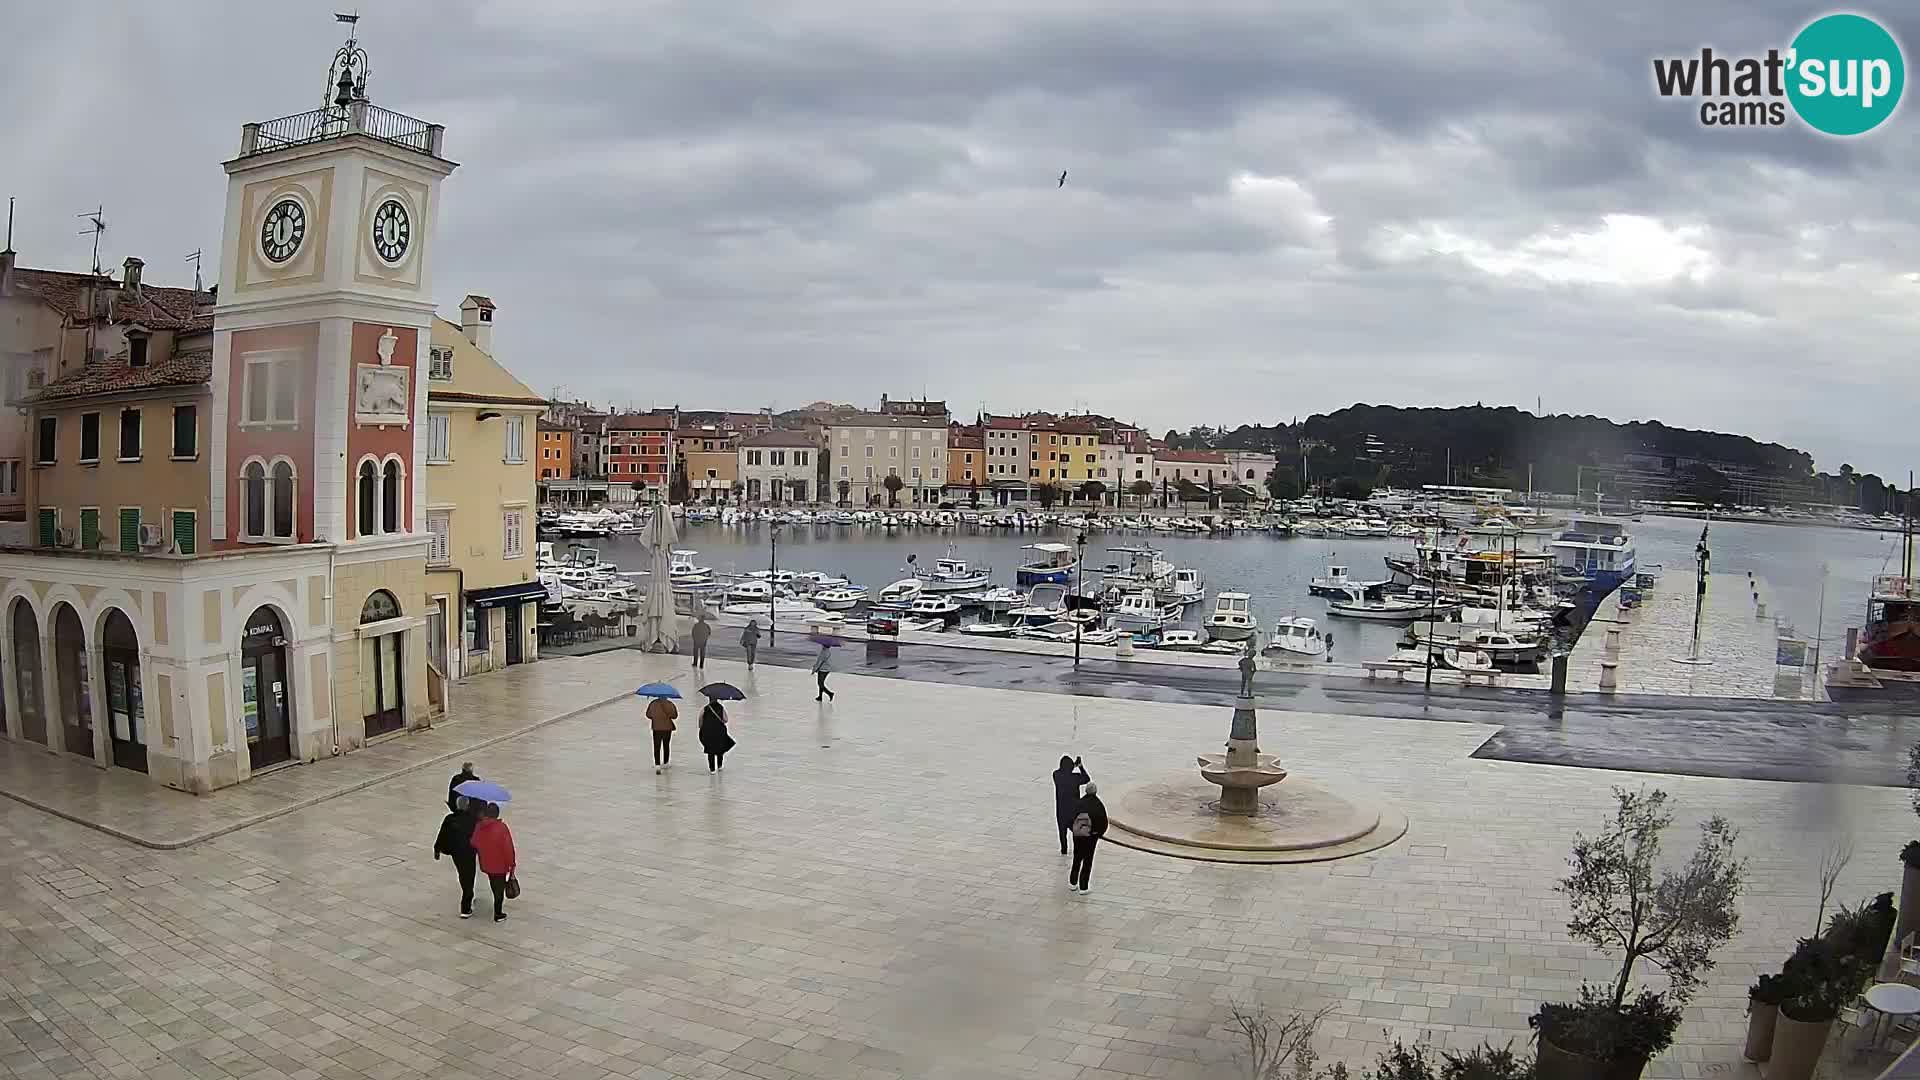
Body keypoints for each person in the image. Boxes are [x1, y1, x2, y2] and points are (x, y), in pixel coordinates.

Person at [432, 795, 480, 918]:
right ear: (467, 806)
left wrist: (437, 849)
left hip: (456, 853)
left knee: (463, 874)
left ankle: (468, 895)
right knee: (469, 875)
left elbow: (442, 835)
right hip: (469, 852)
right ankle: (466, 906)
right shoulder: (473, 819)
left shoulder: (450, 819)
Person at [470, 802, 517, 922]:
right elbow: (508, 848)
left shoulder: (480, 826)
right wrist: (512, 863)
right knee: (499, 890)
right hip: (500, 865)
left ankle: (497, 905)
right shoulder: (502, 828)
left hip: (487, 863)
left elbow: (474, 842)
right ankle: (498, 913)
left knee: (494, 884)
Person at [1069, 782, 1108, 893]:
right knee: (1087, 860)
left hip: (1078, 835)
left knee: (1076, 858)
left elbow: (1071, 817)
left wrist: (1074, 830)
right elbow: (1103, 822)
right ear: (1095, 792)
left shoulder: (1079, 802)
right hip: (1091, 836)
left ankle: (1072, 883)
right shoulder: (1098, 804)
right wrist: (1099, 833)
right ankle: (1083, 887)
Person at [1052, 756, 1090, 854]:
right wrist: (1079, 766)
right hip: (1073, 810)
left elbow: (1062, 771)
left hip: (1061, 810)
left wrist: (1072, 765)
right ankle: (1078, 849)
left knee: (1062, 832)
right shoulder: (1075, 778)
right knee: (1076, 831)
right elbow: (1087, 778)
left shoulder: (1056, 775)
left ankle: (1064, 849)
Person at [699, 699, 736, 771]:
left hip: (708, 731)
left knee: (710, 750)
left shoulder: (705, 708)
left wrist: (702, 727)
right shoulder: (721, 708)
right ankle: (719, 765)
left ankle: (712, 769)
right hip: (719, 731)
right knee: (720, 748)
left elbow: (700, 720)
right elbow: (726, 719)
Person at [647, 694, 678, 772]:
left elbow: (648, 715)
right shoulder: (670, 704)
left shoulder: (653, 703)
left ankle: (657, 765)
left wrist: (655, 718)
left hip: (656, 728)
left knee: (656, 746)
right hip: (667, 728)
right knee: (666, 745)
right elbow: (675, 716)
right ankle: (666, 762)